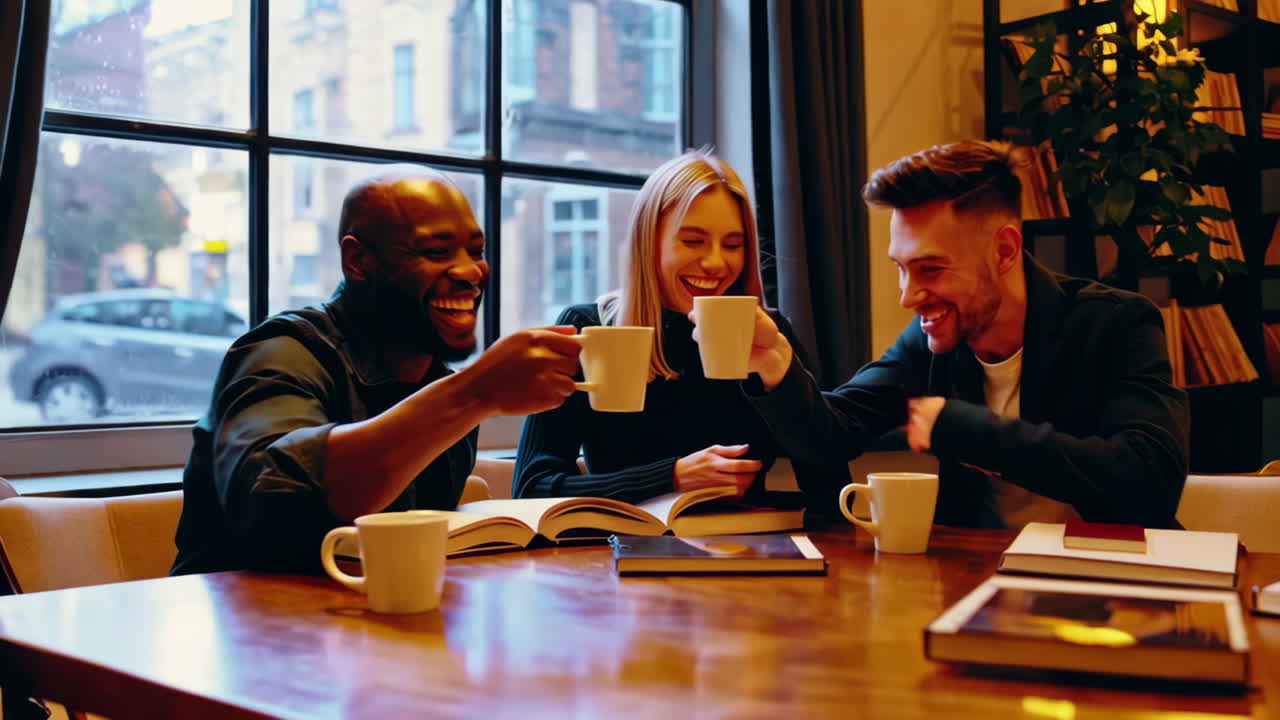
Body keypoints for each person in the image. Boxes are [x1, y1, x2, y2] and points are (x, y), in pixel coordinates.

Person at [704, 140, 1189, 530]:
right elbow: (832, 434)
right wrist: (776, 366)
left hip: (1121, 593)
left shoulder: (1117, 323)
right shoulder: (930, 342)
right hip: (977, 586)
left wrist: (962, 428)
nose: (909, 297)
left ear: (1004, 250)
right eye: (901, 269)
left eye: (930, 269)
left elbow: (1149, 478)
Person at [172, 166, 584, 575]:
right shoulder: (281, 351)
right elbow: (272, 497)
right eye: (436, 252)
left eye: (476, 252)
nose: (470, 272)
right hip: (246, 629)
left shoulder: (439, 384)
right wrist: (474, 394)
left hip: (371, 627)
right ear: (358, 260)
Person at [514, 149, 847, 506]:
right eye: (693, 241)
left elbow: (831, 491)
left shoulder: (767, 336)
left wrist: (783, 379)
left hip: (746, 549)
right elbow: (533, 488)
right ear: (648, 242)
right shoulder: (589, 328)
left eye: (733, 245)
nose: (716, 263)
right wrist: (672, 477)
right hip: (621, 551)